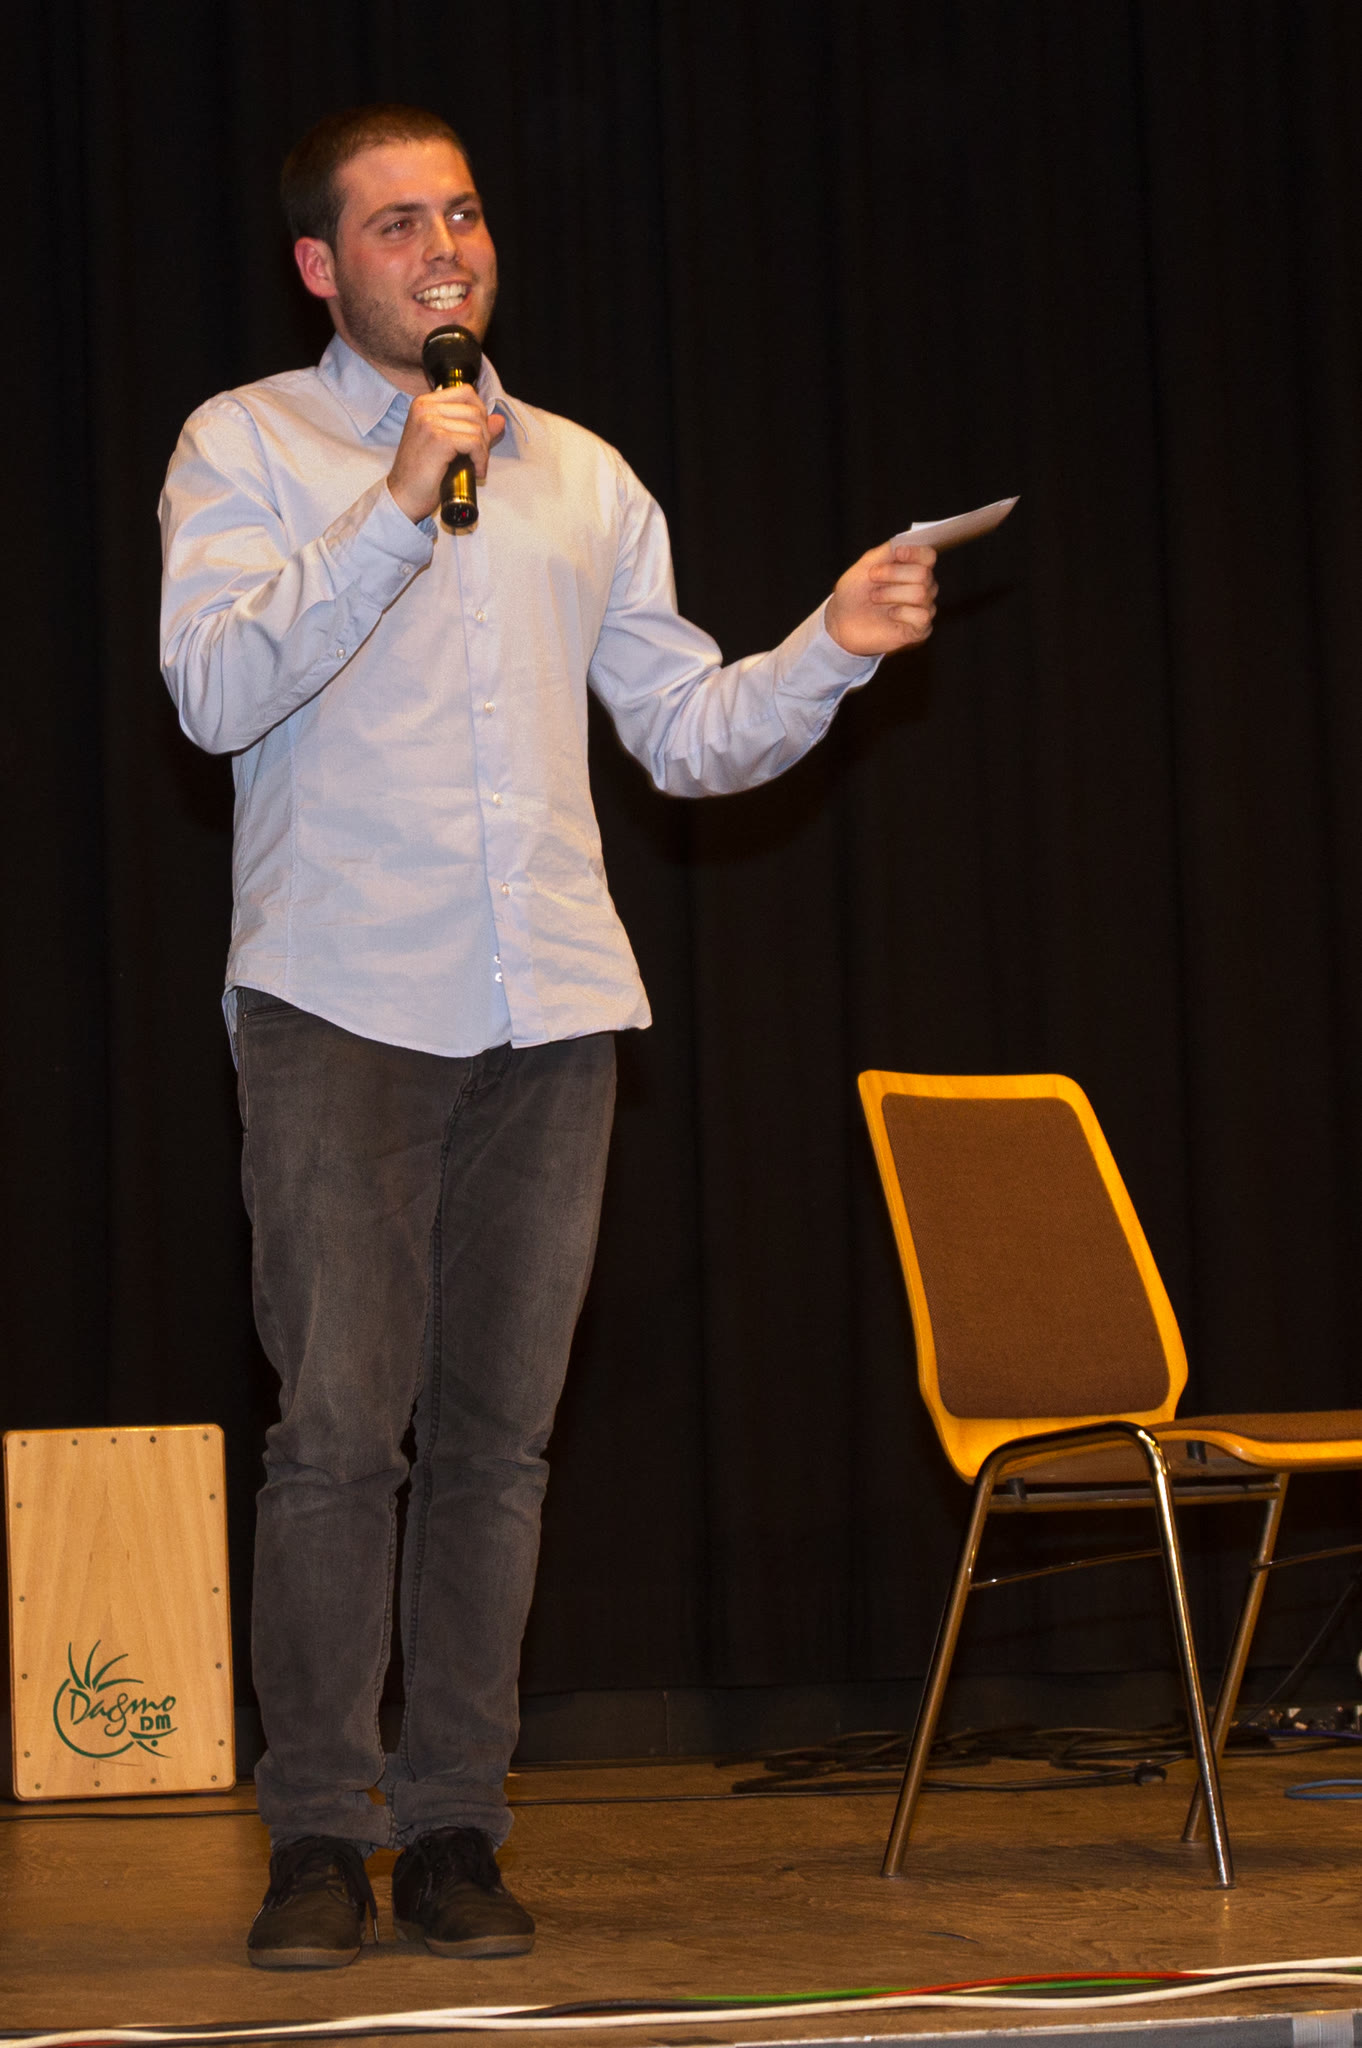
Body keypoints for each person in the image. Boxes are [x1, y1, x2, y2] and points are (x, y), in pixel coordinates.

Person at [159, 103, 936, 1972]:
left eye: (464, 214)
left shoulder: (582, 474)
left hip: (552, 1007)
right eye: (398, 223)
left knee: (499, 1448)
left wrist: (830, 644)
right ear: (319, 266)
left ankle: (454, 1828)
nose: (444, 249)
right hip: (341, 996)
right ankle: (316, 1836)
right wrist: (393, 506)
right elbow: (211, 691)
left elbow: (685, 733)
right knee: (339, 1438)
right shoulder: (243, 444)